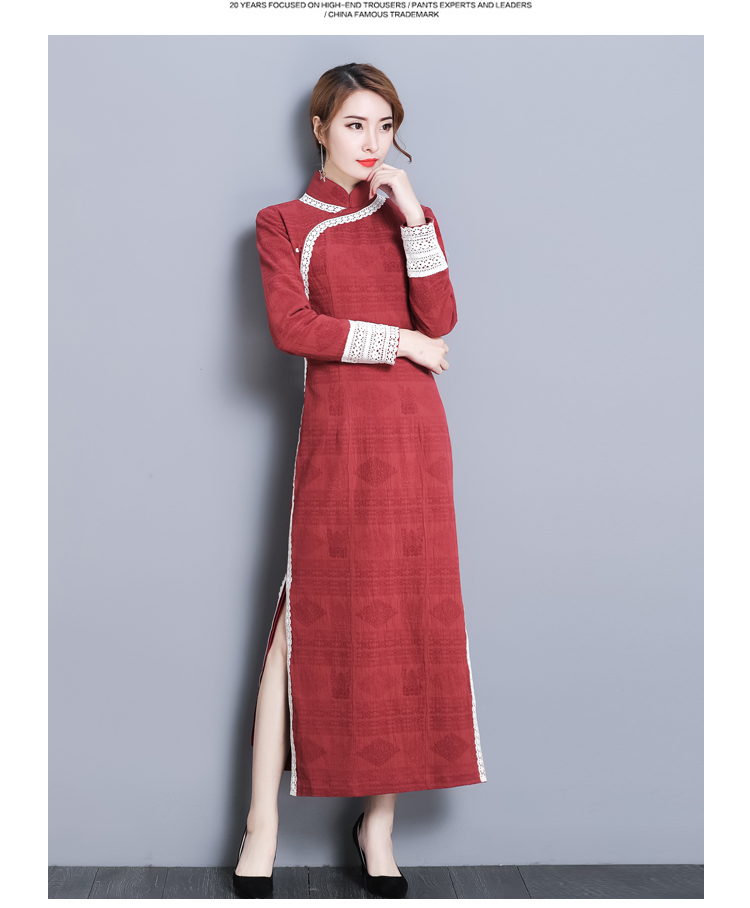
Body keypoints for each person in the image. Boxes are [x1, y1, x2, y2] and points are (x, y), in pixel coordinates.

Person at [232, 62, 487, 899]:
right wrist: (400, 343)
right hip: (341, 438)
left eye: (385, 126)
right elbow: (293, 327)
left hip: (416, 439)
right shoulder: (283, 222)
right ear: (320, 130)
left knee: (404, 622)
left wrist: (412, 218)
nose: (372, 142)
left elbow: (442, 318)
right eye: (354, 125)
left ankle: (378, 829)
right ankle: (261, 826)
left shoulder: (412, 218)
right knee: (302, 623)